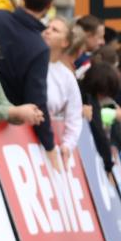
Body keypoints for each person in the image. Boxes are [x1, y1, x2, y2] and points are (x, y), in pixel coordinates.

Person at [0, 0, 60, 168]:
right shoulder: (40, 47)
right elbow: (36, 98)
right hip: (7, 126)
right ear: (49, 6)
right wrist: (49, 145)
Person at [43, 18, 84, 164]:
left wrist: (68, 145)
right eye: (47, 27)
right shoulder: (28, 63)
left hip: (47, 147)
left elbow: (75, 117)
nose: (48, 31)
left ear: (65, 42)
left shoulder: (67, 77)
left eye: (55, 30)